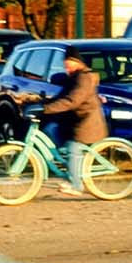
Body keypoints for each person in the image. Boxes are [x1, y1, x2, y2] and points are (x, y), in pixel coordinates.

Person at [42, 46, 106, 196]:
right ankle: (70, 170)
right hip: (73, 120)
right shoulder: (73, 78)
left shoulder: (84, 78)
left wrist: (47, 109)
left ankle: (76, 185)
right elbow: (62, 97)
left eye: (68, 65)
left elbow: (73, 101)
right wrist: (41, 103)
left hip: (87, 121)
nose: (66, 68)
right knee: (50, 130)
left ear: (76, 62)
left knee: (73, 148)